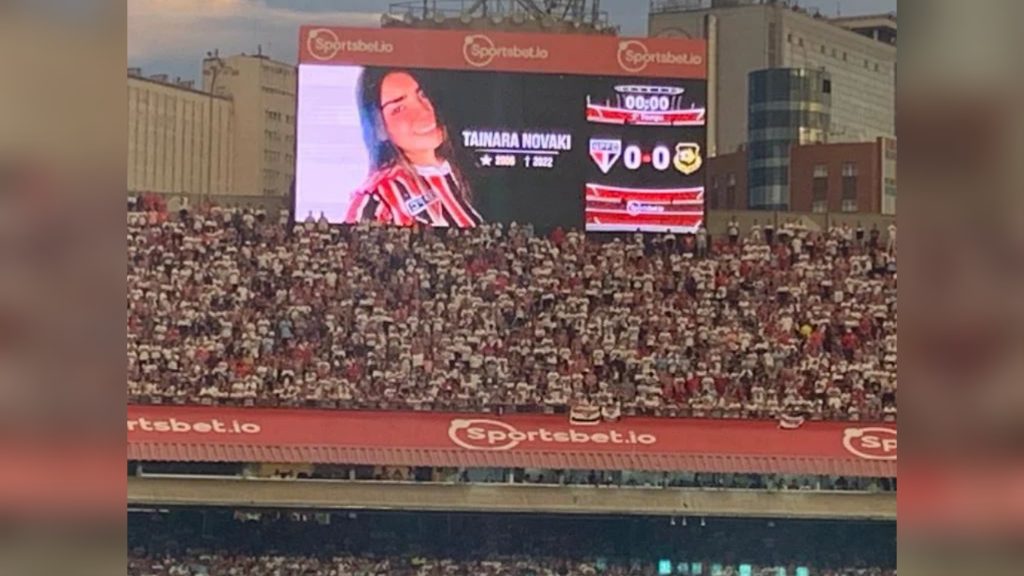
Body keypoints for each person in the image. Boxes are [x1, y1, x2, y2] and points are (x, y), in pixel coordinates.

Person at [344, 68, 483, 228]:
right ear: (378, 127)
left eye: (422, 95)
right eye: (399, 109)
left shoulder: (463, 171)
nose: (424, 112)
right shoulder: (376, 198)